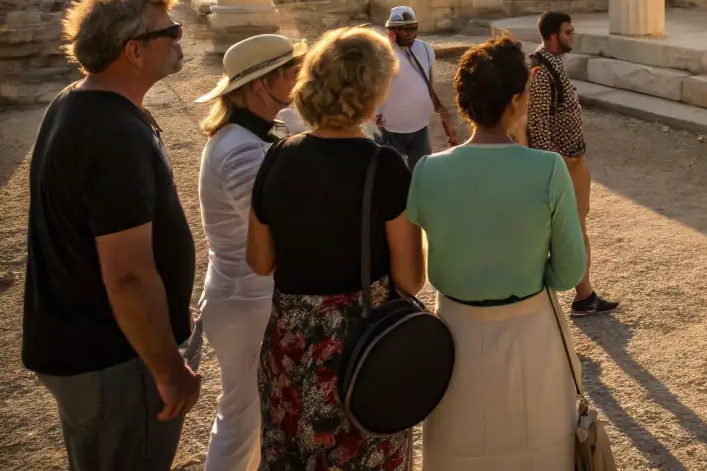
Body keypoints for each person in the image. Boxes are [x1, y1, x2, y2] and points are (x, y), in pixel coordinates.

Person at [22, 0, 200, 471]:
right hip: (117, 360)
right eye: (173, 30)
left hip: (94, 350)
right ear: (134, 51)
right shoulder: (113, 134)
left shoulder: (77, 102)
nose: (181, 39)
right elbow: (126, 274)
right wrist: (169, 369)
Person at [247, 26, 426, 471]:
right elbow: (409, 279)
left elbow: (260, 261)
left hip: (289, 345)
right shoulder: (384, 165)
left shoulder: (278, 155)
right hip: (359, 349)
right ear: (374, 89)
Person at [408, 34, 587, 470]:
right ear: (515, 101)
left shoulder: (428, 171)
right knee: (539, 450)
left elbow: (413, 274)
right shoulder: (547, 169)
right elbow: (569, 273)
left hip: (453, 336)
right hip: (531, 332)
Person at [195, 34, 305, 471]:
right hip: (245, 300)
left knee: (255, 418)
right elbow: (283, 228)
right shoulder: (241, 149)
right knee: (242, 421)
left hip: (247, 295)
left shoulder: (249, 134)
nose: (299, 80)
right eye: (291, 73)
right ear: (262, 84)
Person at [526, 10, 619, 317]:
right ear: (552, 36)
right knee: (573, 231)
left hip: (573, 160)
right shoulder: (541, 73)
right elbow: (536, 124)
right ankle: (582, 296)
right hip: (562, 164)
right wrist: (557, 162)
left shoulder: (554, 66)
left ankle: (584, 293)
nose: (572, 36)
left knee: (577, 227)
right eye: (567, 32)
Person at [374, 5, 455, 167]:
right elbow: (374, 88)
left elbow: (428, 85)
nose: (410, 33)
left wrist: (443, 114)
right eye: (404, 29)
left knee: (420, 172)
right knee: (392, 173)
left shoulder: (425, 49)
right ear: (392, 31)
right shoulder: (382, 53)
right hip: (391, 126)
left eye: (413, 28)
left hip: (419, 125)